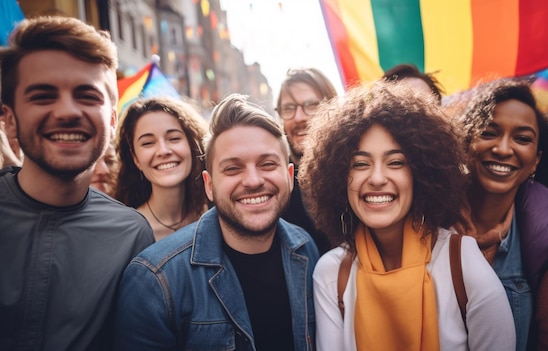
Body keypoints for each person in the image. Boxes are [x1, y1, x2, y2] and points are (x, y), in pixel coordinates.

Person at [299, 80, 515, 350]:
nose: (377, 178)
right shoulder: (332, 273)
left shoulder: (462, 262)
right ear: (340, 177)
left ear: (421, 174)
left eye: (396, 162)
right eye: (361, 163)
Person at [114, 94, 320, 350]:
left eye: (267, 164)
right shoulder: (155, 280)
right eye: (233, 168)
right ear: (209, 185)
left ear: (289, 176)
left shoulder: (306, 249)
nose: (253, 180)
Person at [0, 16, 154, 351]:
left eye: (87, 96)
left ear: (112, 122)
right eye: (43, 96)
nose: (68, 111)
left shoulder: (132, 236)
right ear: (9, 120)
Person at [456, 79, 548, 351]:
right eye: (489, 132)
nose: (503, 149)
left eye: (522, 139)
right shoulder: (425, 218)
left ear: (537, 159)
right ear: (466, 140)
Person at [116, 97, 210, 241]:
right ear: (135, 158)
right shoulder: (126, 233)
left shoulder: (216, 215)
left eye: (173, 138)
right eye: (148, 143)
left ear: (192, 145)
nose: (163, 151)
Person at [275, 67, 337, 254]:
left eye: (311, 105)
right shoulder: (275, 184)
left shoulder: (356, 176)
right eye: (289, 108)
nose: (299, 117)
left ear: (333, 109)